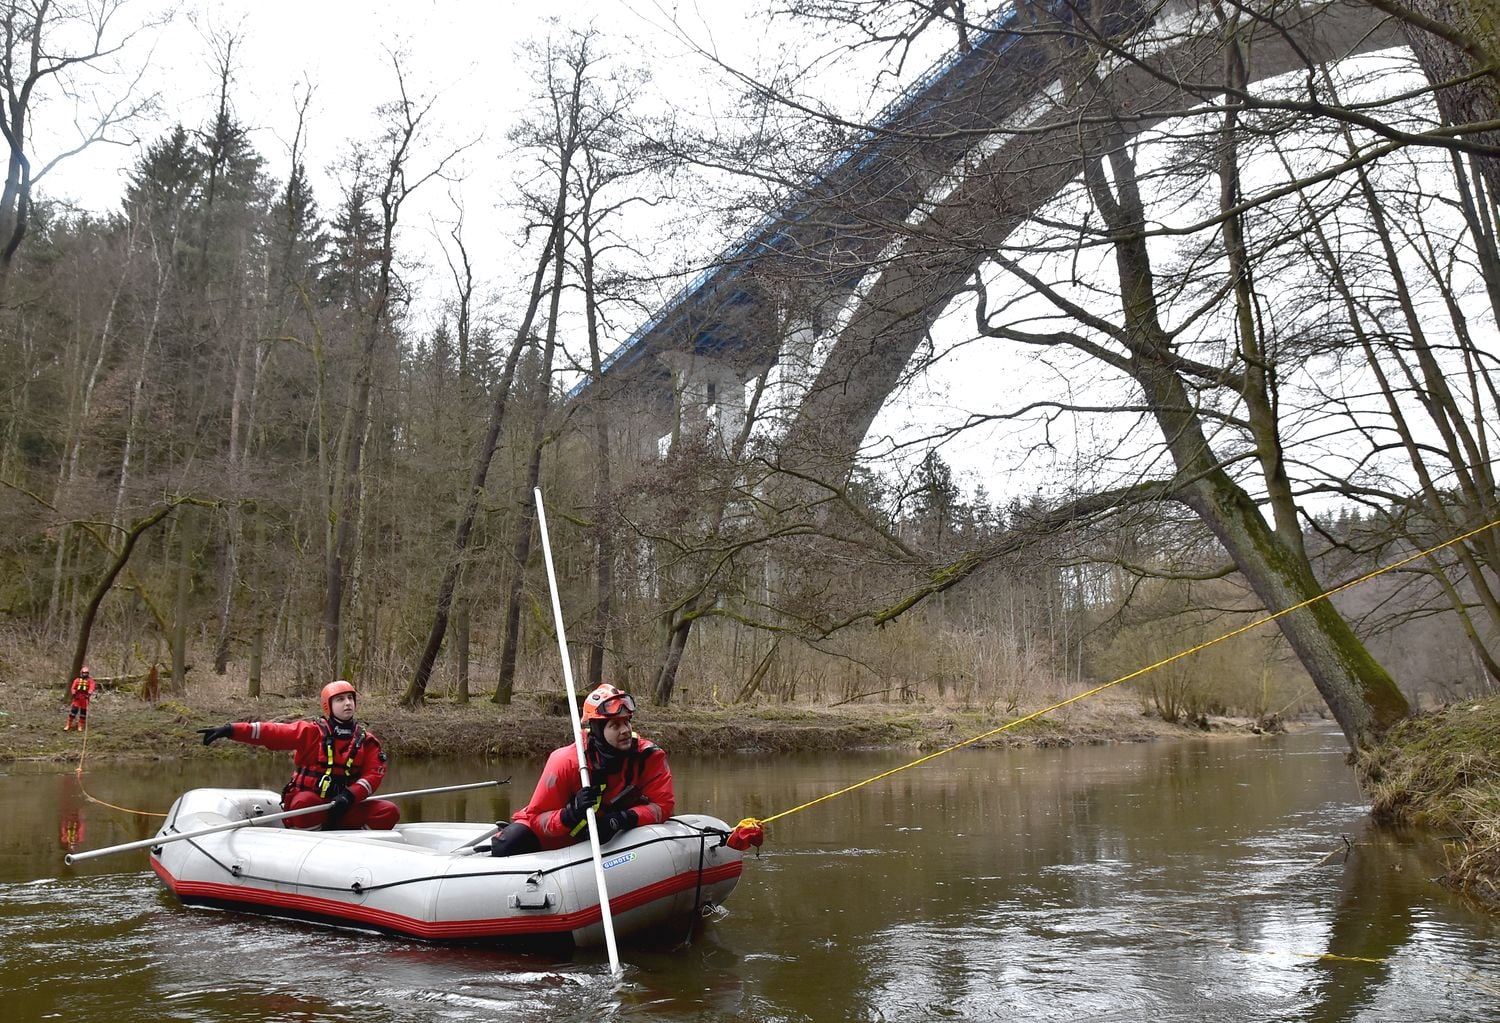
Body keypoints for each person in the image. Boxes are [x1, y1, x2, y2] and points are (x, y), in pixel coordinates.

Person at [490, 683, 674, 857]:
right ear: (597, 730)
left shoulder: (649, 756)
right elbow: (537, 819)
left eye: (627, 722)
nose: (625, 730)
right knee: (507, 844)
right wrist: (570, 813)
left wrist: (622, 819)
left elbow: (663, 806)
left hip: (611, 836)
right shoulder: (566, 760)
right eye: (615, 725)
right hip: (560, 835)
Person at [197, 680, 400, 831]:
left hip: (344, 805)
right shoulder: (311, 732)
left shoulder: (367, 740)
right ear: (328, 706)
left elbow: (373, 774)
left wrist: (350, 795)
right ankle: (311, 841)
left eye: (350, 698)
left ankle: (358, 845)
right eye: (340, 699)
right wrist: (231, 730)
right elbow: (272, 732)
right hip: (311, 806)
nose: (347, 703)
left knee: (389, 811)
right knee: (305, 803)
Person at [65, 666, 96, 731]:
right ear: (81, 673)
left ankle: (80, 725)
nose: (85, 674)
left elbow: (92, 687)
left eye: (86, 673)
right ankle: (68, 724)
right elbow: (73, 687)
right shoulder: (77, 680)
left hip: (85, 698)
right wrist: (74, 694)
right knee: (73, 711)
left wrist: (89, 694)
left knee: (83, 713)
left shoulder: (90, 681)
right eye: (84, 673)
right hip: (77, 697)